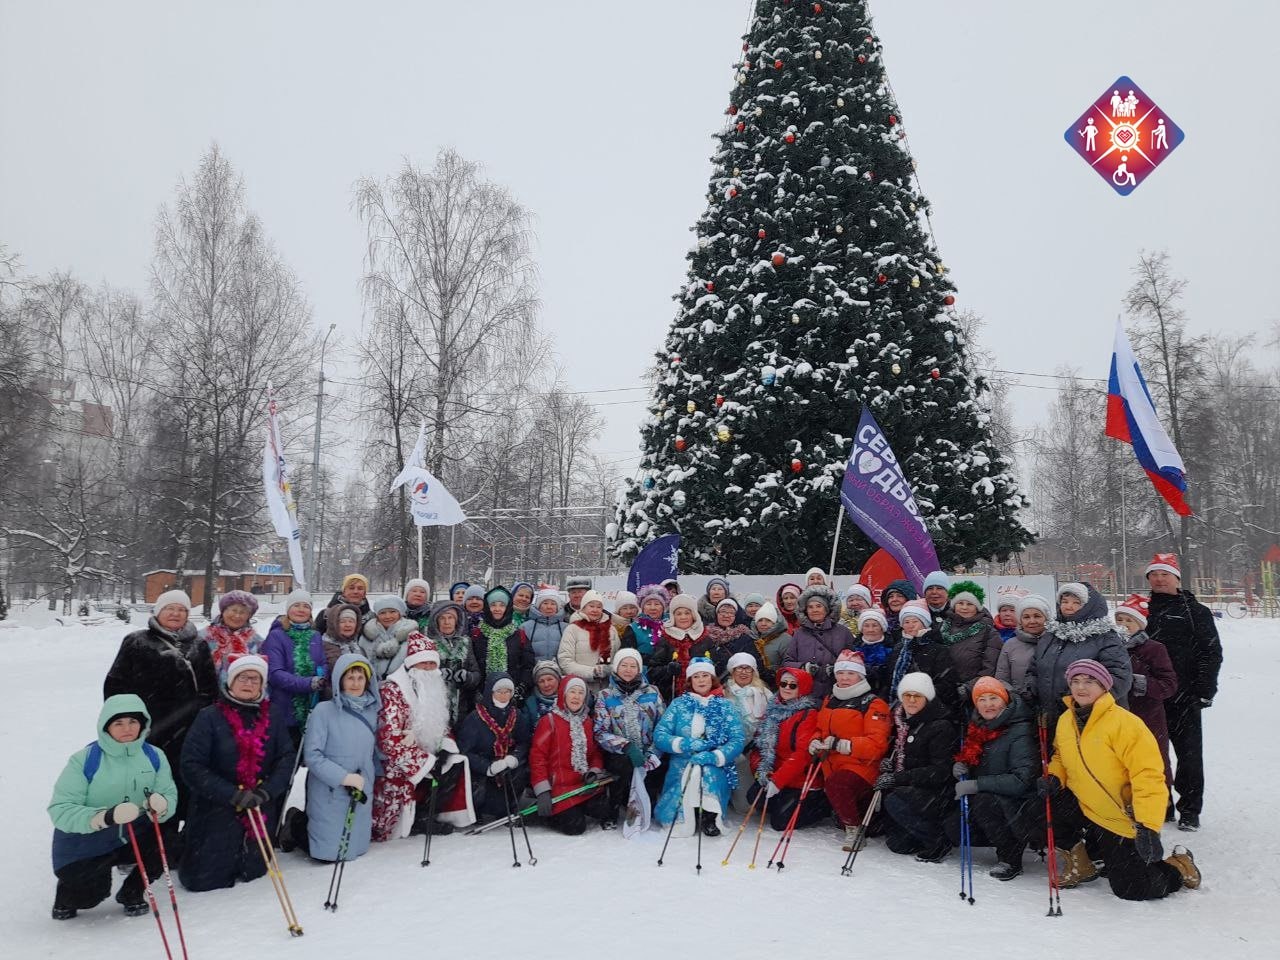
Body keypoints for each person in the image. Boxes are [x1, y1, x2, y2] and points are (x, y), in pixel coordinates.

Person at [1039, 659, 1201, 899]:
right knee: (1037, 804)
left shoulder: (1125, 723)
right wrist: (1055, 776)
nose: (1081, 687)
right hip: (1088, 809)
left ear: (1104, 686)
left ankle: (1179, 866)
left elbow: (1148, 776)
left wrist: (1148, 825)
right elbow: (1061, 756)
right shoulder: (1066, 721)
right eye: (1076, 681)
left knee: (1132, 888)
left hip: (1122, 817)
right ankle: (1083, 861)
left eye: (1090, 681)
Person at [48, 694, 179, 920]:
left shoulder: (154, 755)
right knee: (91, 895)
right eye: (118, 723)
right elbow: (61, 809)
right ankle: (67, 896)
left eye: (133, 721)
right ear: (106, 726)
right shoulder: (85, 759)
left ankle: (132, 891)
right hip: (86, 839)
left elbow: (169, 793)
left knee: (168, 840)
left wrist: (163, 805)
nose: (127, 728)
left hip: (131, 833)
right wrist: (105, 817)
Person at [178, 654, 293, 891]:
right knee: (203, 880)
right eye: (243, 677)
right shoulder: (209, 716)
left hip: (259, 806)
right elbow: (192, 765)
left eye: (255, 679)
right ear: (230, 681)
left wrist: (266, 791)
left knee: (255, 873)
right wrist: (232, 794)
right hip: (217, 808)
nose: (249, 683)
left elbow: (285, 758)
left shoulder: (273, 715)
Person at [103, 589, 217, 819]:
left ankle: (177, 829)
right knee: (147, 781)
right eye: (169, 608)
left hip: (187, 730)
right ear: (158, 611)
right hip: (148, 729)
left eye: (181, 609)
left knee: (182, 782)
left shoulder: (199, 645)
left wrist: (201, 721)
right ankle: (147, 830)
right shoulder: (137, 642)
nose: (175, 613)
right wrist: (125, 723)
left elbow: (209, 690)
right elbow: (115, 685)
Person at [1143, 553, 1223, 832]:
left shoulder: (1195, 611)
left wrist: (1205, 688)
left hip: (1184, 695)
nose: (1159, 579)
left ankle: (1190, 809)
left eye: (1164, 574)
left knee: (1189, 756)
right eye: (1154, 575)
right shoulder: (1141, 610)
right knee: (1150, 754)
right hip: (1149, 695)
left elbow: (1210, 652)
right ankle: (1160, 802)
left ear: (1177, 578)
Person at [372, 634, 474, 841]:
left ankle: (426, 814)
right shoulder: (392, 691)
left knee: (455, 761)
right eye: (423, 662)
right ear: (411, 664)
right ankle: (406, 817)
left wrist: (444, 747)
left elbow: (440, 724)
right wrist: (425, 762)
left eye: (432, 663)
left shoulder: (433, 687)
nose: (428, 668)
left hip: (426, 751)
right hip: (395, 761)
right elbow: (389, 741)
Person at [945, 677, 1038, 880]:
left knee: (984, 802)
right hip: (992, 797)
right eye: (982, 699)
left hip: (1020, 804)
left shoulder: (1020, 731)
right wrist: (963, 767)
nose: (988, 704)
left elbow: (1022, 780)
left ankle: (1010, 856)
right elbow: (981, 763)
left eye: (993, 698)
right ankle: (995, 837)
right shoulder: (980, 727)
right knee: (953, 827)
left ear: (1005, 700)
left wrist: (977, 785)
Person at [291, 653, 380, 861]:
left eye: (360, 678)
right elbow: (313, 755)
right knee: (329, 852)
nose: (356, 683)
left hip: (362, 784)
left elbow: (375, 748)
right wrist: (343, 777)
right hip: (330, 789)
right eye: (350, 678)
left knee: (356, 846)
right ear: (339, 680)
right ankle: (295, 826)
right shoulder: (324, 711)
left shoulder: (372, 711)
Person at [653, 658, 746, 837]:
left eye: (705, 675)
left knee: (708, 774)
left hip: (714, 764)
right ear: (690, 680)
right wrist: (684, 744)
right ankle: (687, 813)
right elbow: (660, 735)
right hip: (682, 763)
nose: (701, 680)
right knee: (677, 806)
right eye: (696, 676)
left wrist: (715, 756)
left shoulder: (725, 706)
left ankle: (710, 816)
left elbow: (737, 739)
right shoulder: (678, 704)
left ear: (712, 679)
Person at [810, 650, 891, 851]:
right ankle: (857, 817)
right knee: (833, 791)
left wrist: (845, 745)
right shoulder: (830, 699)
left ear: (861, 676)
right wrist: (815, 740)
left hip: (861, 767)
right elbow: (820, 729)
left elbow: (878, 744)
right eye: (840, 673)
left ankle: (854, 830)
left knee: (838, 785)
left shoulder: (873, 703)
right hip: (831, 765)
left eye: (851, 673)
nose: (845, 678)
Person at [874, 671, 957, 862]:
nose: (911, 700)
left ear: (927, 698)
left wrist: (899, 778)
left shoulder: (940, 726)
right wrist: (890, 764)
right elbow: (902, 754)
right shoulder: (901, 722)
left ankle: (937, 840)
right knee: (898, 845)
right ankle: (916, 832)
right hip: (910, 786)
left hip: (935, 792)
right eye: (907, 695)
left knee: (893, 799)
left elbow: (941, 771)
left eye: (917, 696)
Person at [1025, 583, 1132, 725]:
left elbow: (1120, 677)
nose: (1069, 606)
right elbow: (1034, 669)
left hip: (1092, 719)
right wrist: (1031, 690)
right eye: (1065, 601)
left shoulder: (1105, 637)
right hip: (1052, 718)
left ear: (1089, 606)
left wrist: (1082, 702)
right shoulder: (1050, 635)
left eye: (1076, 603)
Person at [747, 666, 828, 831]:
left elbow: (802, 755)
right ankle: (782, 801)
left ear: (802, 688)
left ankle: (820, 804)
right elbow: (758, 746)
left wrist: (778, 781)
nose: (787, 688)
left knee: (780, 823)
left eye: (793, 685)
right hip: (776, 774)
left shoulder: (808, 714)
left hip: (799, 779)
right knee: (754, 796)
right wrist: (761, 771)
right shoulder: (772, 710)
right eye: (783, 684)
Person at [593, 648, 666, 824]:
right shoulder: (605, 696)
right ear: (616, 668)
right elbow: (600, 732)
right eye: (623, 665)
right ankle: (613, 808)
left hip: (649, 751)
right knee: (622, 768)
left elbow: (663, 725)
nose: (628, 670)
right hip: (621, 753)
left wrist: (654, 752)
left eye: (633, 666)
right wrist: (625, 746)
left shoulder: (652, 692)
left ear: (639, 669)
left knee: (654, 779)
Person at [530, 676, 610, 835]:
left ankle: (576, 808)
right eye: (572, 692)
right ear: (563, 694)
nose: (576, 696)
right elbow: (537, 758)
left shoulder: (588, 722)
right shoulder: (549, 721)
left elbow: (595, 753)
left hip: (583, 784)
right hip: (559, 788)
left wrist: (594, 771)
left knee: (604, 810)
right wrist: (543, 790)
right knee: (575, 827)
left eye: (581, 693)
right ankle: (544, 814)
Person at [1115, 594, 1179, 792]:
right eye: (1119, 619)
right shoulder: (1110, 647)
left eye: (1129, 620)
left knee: (1152, 763)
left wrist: (1138, 682)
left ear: (1140, 624)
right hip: (1117, 717)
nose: (1123, 624)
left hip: (1148, 717)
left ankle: (1160, 800)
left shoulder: (1154, 649)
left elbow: (1168, 684)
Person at [458, 673, 532, 823]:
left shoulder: (516, 715)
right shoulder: (475, 718)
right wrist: (487, 767)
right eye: (499, 692)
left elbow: (524, 742)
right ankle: (478, 811)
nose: (504, 696)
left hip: (507, 768)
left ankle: (511, 807)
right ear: (490, 692)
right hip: (483, 771)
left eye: (508, 692)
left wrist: (515, 758)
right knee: (479, 791)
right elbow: (464, 751)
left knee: (522, 774)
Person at [263, 588, 327, 748]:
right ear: (288, 609)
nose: (301, 610)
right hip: (284, 708)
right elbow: (275, 673)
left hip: (310, 707)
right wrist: (308, 684)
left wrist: (322, 677)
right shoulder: (276, 636)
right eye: (296, 605)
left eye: (306, 606)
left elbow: (322, 663)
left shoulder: (315, 636)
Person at [783, 584, 855, 698]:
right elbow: (787, 662)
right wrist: (803, 667)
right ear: (806, 610)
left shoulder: (843, 632)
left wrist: (837, 669)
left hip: (836, 694)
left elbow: (854, 662)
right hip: (806, 694)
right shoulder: (799, 634)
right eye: (810, 607)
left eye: (818, 606)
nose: (814, 610)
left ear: (827, 609)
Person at [888, 600, 960, 710]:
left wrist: (924, 697)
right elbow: (889, 679)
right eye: (906, 622)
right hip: (898, 707)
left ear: (924, 623)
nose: (910, 626)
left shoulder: (937, 648)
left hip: (928, 707)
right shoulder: (898, 648)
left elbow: (947, 683)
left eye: (915, 621)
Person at [724, 651, 771, 809]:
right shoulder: (724, 693)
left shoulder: (764, 694)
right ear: (732, 671)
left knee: (747, 805)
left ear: (753, 671)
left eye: (747, 668)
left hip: (755, 748)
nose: (743, 672)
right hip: (732, 749)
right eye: (739, 668)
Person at [937, 581, 1003, 691]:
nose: (964, 607)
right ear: (954, 605)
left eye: (970, 604)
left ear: (977, 607)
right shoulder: (942, 628)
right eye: (960, 603)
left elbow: (989, 668)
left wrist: (967, 689)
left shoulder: (989, 632)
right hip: (942, 690)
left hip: (973, 691)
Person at [427, 600, 481, 723]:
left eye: (450, 617)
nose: (447, 622)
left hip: (462, 707)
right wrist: (438, 675)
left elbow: (476, 674)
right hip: (436, 706)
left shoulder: (466, 642)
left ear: (457, 620)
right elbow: (421, 674)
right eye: (442, 618)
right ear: (436, 621)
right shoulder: (428, 643)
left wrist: (467, 677)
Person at [473, 586, 533, 696]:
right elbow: (472, 666)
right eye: (493, 605)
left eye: (502, 605)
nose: (497, 609)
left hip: (511, 694)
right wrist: (476, 691)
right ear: (487, 607)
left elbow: (528, 666)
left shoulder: (518, 635)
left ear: (508, 608)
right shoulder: (476, 634)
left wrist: (521, 688)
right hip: (482, 695)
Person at [648, 594, 707, 702]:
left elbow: (717, 668)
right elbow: (652, 671)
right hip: (672, 697)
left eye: (687, 613)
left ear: (694, 615)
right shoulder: (665, 639)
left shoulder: (705, 637)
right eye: (678, 614)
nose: (683, 617)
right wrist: (668, 670)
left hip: (702, 697)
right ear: (673, 616)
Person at [559, 589, 620, 694]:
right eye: (591, 606)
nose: (595, 610)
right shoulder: (572, 629)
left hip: (607, 690)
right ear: (583, 607)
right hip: (580, 690)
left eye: (599, 607)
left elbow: (618, 657)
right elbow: (565, 661)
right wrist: (593, 672)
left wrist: (610, 669)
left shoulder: (611, 629)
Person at [198, 590, 263, 678]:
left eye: (243, 612)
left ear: (249, 616)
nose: (237, 616)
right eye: (234, 610)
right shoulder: (203, 637)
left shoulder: (257, 642)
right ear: (223, 611)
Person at [996, 595, 1050, 695]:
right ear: (1020, 620)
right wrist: (1016, 698)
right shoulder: (1010, 645)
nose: (1032, 621)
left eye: (1037, 616)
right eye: (1026, 617)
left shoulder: (1056, 642)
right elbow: (1001, 680)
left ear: (1046, 618)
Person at [696, 597, 760, 676]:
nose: (726, 616)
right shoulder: (704, 636)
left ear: (736, 616)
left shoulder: (745, 637)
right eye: (723, 611)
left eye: (731, 613)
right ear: (716, 614)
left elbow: (753, 663)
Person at [359, 596, 415, 682]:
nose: (387, 616)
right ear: (377, 615)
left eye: (392, 612)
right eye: (382, 613)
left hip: (402, 684)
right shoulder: (368, 635)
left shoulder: (412, 636)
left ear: (400, 613)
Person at [852, 609, 894, 699]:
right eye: (866, 626)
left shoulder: (892, 648)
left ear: (882, 628)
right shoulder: (853, 649)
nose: (870, 630)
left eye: (875, 625)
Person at [622, 585, 668, 667]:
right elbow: (626, 655)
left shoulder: (671, 626)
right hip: (642, 671)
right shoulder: (633, 628)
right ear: (642, 608)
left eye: (657, 604)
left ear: (663, 607)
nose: (653, 608)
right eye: (648, 604)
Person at [520, 588, 568, 664]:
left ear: (557, 607)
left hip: (559, 669)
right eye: (545, 603)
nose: (549, 607)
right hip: (532, 669)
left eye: (553, 604)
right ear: (539, 606)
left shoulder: (566, 628)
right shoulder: (526, 627)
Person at [322, 602, 364, 681]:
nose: (347, 625)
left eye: (351, 621)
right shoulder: (324, 647)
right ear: (333, 624)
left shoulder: (357, 647)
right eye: (342, 621)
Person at [752, 602, 788, 680]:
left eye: (768, 621)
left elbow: (788, 663)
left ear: (774, 623)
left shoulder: (785, 640)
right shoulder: (752, 638)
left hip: (777, 680)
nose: (763, 624)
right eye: (760, 620)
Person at [524, 660, 563, 731]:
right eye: (541, 681)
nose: (546, 684)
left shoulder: (568, 699)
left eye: (550, 679)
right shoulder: (531, 703)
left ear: (558, 680)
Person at [880, 579, 917, 643]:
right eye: (891, 596)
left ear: (909, 599)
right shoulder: (881, 622)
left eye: (900, 596)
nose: (894, 599)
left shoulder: (918, 623)